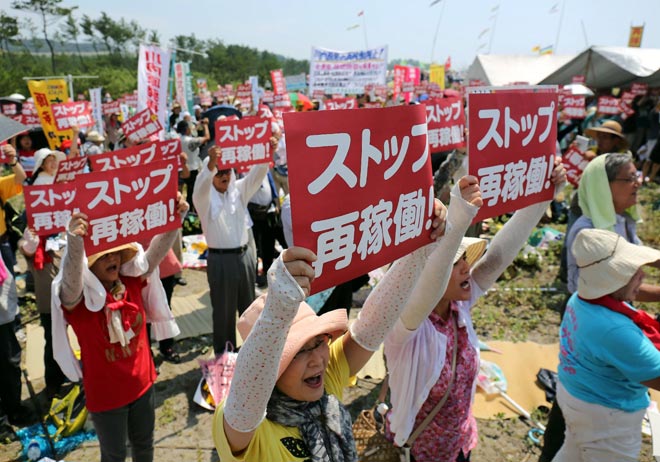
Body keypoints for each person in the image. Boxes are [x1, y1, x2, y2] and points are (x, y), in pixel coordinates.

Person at [213, 200, 447, 461]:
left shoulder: (324, 389)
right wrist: (278, 309)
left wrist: (417, 252)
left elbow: (371, 327)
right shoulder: (253, 432)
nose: (318, 359)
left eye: (319, 342)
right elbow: (247, 398)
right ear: (272, 370)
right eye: (299, 352)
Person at [384, 160, 566, 462]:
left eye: (466, 259)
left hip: (461, 444)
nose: (468, 268)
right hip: (420, 452)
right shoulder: (405, 328)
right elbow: (431, 278)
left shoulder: (459, 306)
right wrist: (459, 213)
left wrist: (542, 195)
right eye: (456, 264)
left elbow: (496, 258)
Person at [539, 152, 660, 461]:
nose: (637, 183)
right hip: (606, 414)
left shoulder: (623, 222)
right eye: (629, 178)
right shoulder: (586, 230)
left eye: (637, 176)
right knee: (568, 423)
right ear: (603, 187)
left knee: (574, 439)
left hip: (602, 318)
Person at [51, 194, 187, 462]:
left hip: (143, 385)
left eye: (115, 252)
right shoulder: (79, 303)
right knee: (113, 456)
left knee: (144, 447)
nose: (112, 257)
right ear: (88, 266)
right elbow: (69, 283)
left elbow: (153, 257)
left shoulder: (132, 282)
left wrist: (175, 217)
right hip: (106, 397)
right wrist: (76, 241)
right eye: (103, 255)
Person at [552, 228, 660, 461]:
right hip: (607, 419)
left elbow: (632, 289)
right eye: (632, 270)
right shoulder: (615, 330)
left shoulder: (582, 299)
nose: (642, 274)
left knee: (573, 452)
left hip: (575, 395)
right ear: (613, 280)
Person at [193, 145, 270, 354]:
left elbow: (257, 174)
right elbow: (200, 186)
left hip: (244, 256)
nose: (224, 176)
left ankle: (252, 352)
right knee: (224, 312)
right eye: (219, 173)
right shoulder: (204, 199)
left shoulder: (238, 191)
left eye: (227, 171)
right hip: (221, 260)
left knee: (250, 308)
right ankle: (224, 354)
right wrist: (210, 163)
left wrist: (267, 150)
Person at [19, 147, 68, 398]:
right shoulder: (36, 191)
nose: (52, 163)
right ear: (40, 165)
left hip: (63, 257)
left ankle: (70, 372)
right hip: (45, 263)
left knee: (72, 323)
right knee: (52, 327)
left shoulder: (60, 186)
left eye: (53, 160)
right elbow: (28, 241)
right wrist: (31, 241)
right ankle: (54, 380)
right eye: (48, 160)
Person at [0, 145, 30, 427]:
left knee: (7, 344)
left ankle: (13, 407)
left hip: (1, 248)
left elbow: (20, 180)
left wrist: (12, 160)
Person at [177, 118, 209, 213]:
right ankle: (191, 213)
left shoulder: (175, 140)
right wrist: (206, 125)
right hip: (192, 168)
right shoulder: (191, 141)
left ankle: (181, 212)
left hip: (180, 169)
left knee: (180, 193)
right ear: (187, 129)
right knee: (191, 193)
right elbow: (207, 137)